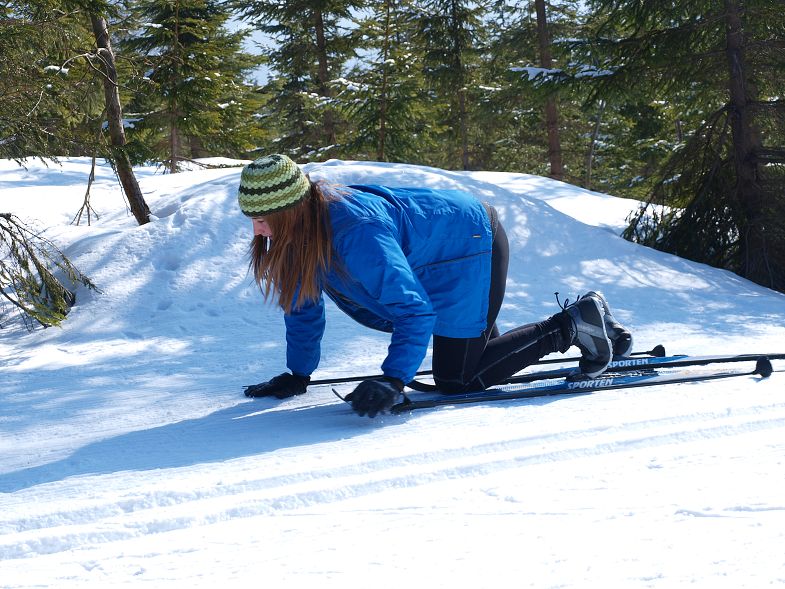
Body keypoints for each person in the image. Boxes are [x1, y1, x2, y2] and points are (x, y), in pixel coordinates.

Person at [239, 154, 632, 417]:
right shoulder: (297, 235)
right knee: (480, 357)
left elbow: (412, 309)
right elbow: (302, 306)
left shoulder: (355, 232)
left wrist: (394, 378)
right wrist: (299, 373)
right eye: (253, 218)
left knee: (458, 380)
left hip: (469, 244)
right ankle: (600, 323)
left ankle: (573, 324)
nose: (257, 230)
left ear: (292, 210)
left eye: (263, 219)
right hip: (438, 254)